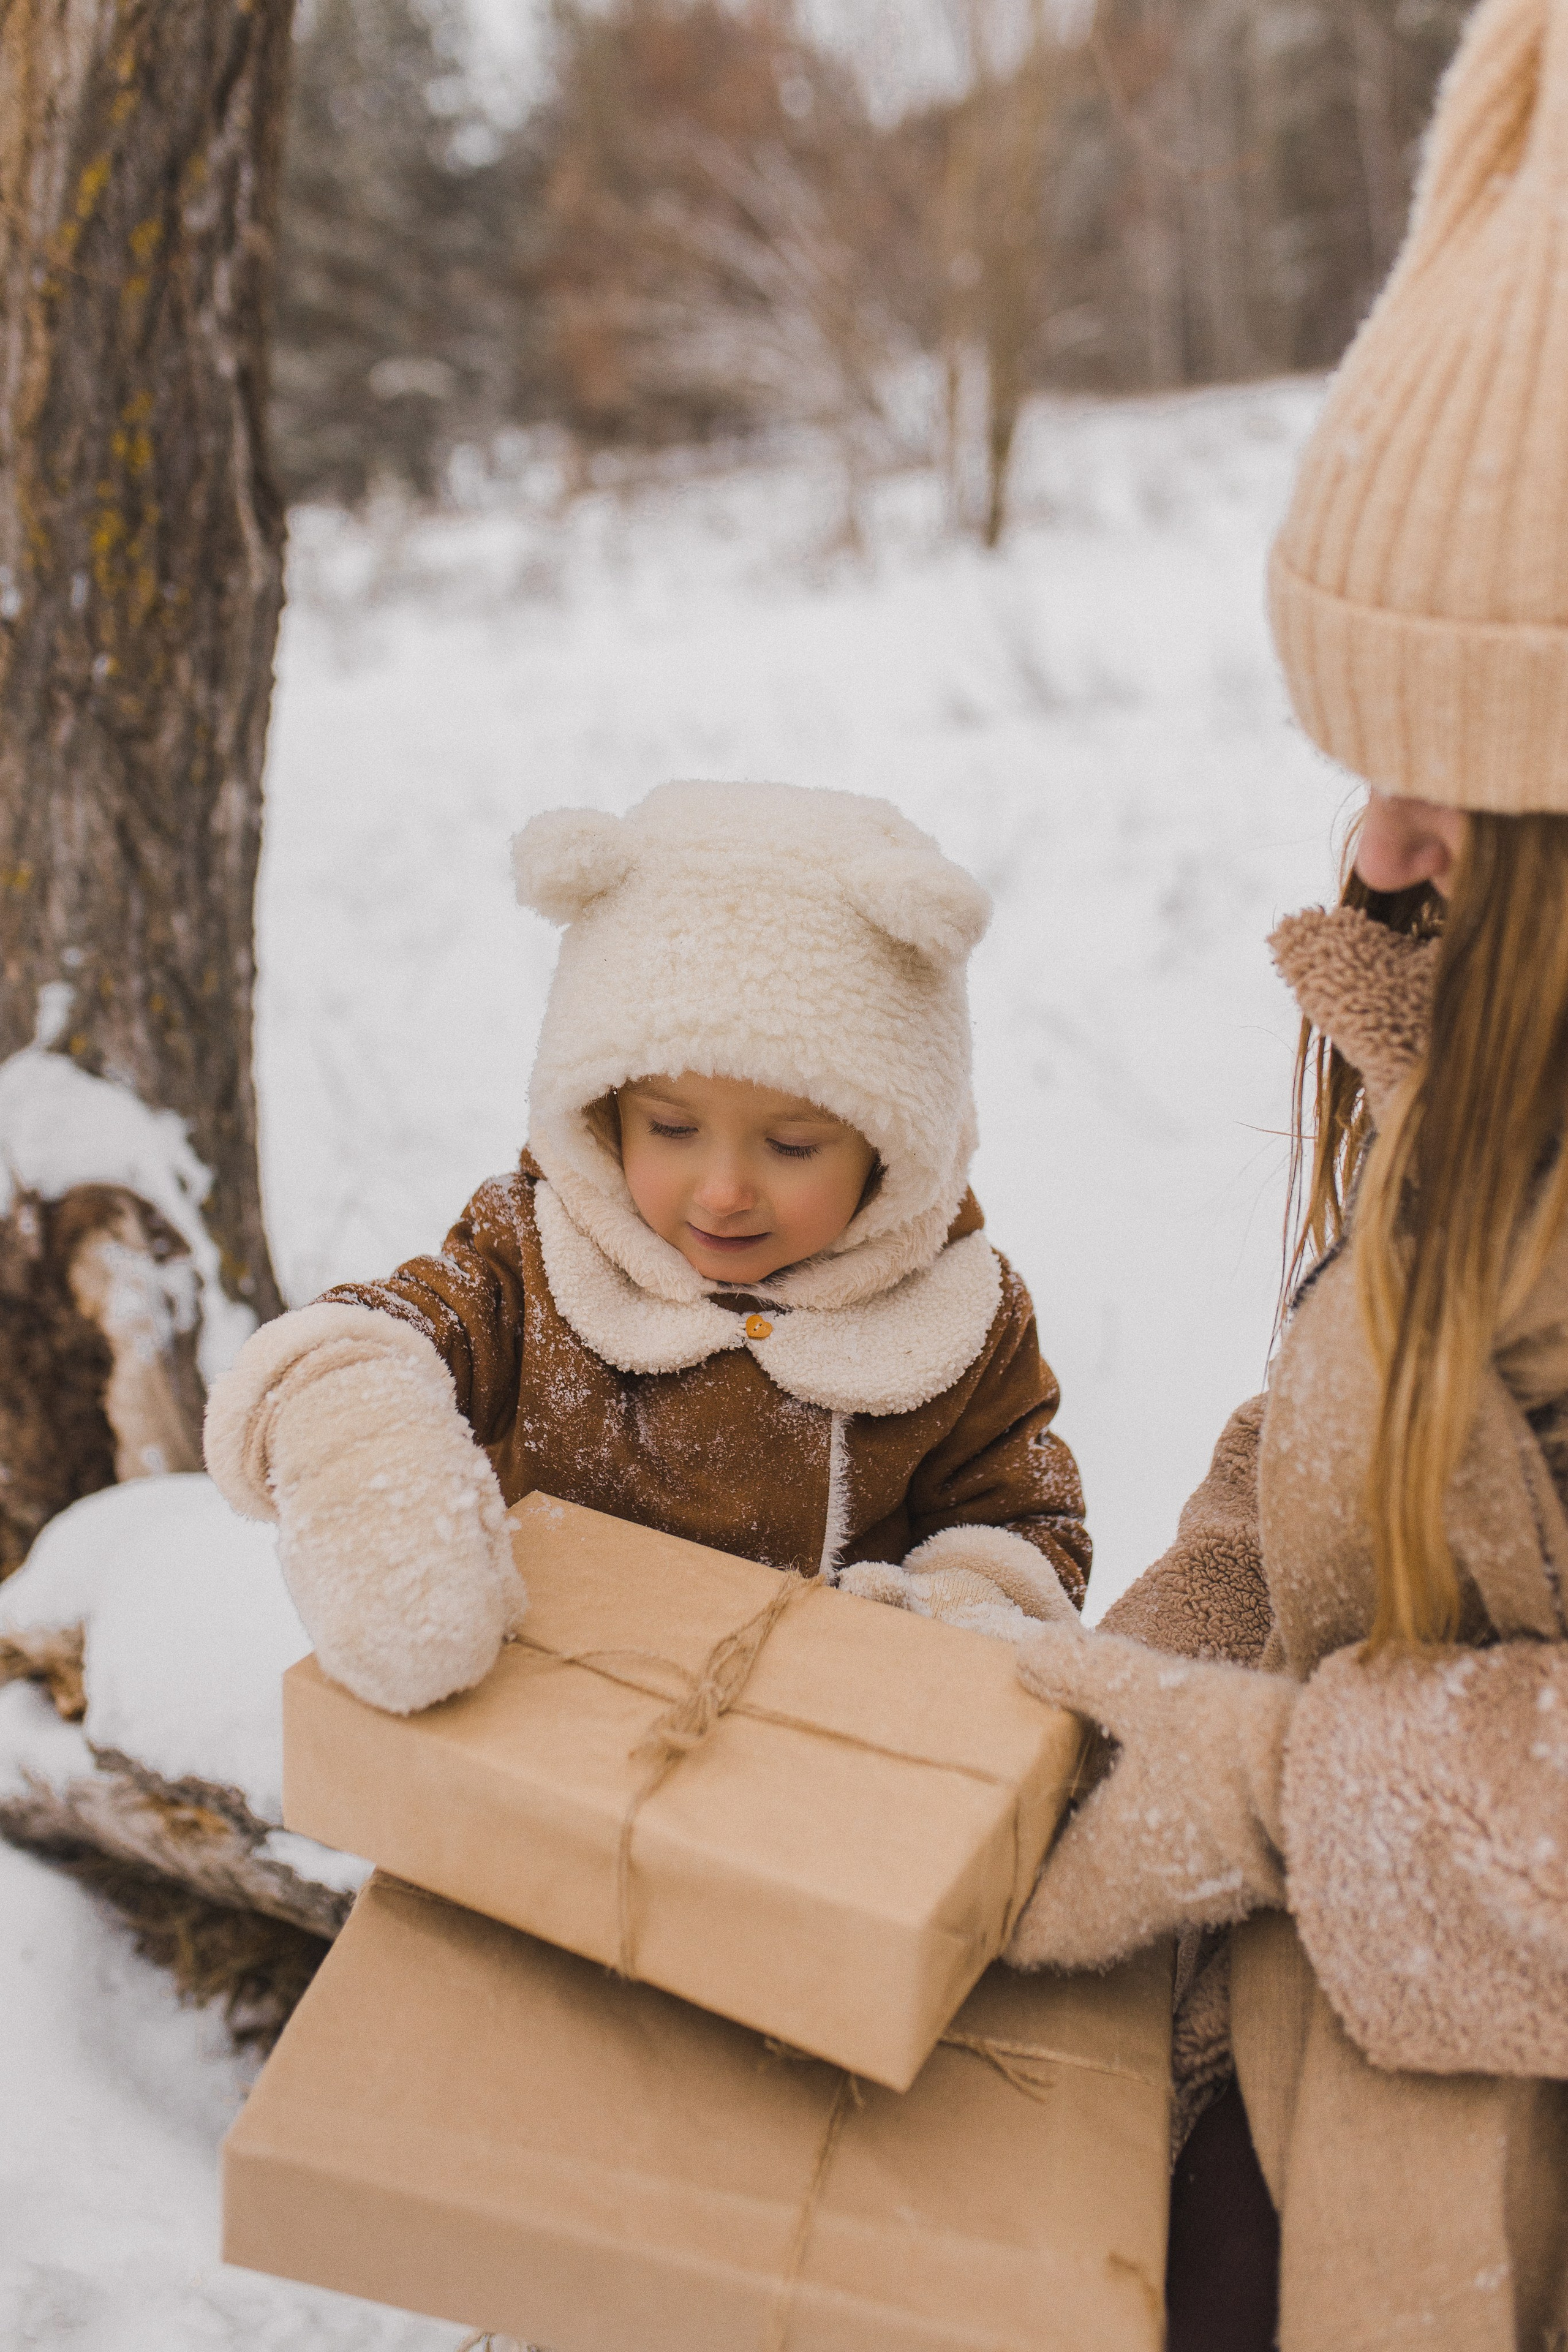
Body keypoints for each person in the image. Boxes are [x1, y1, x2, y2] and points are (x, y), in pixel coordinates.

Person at [1007, 1, 1568, 2343]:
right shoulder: (1483, 1072)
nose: (1374, 848)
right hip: (1354, 2119)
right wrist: (1120, 1690)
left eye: (1456, 781)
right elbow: (1344, 1459)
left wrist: (1253, 1786)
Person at [205, 780, 1090, 1714]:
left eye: (791, 1147)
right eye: (671, 1129)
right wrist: (357, 1430)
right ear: (604, 1109)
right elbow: (394, 1333)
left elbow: (1023, 1520)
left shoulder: (956, 1321)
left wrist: (939, 1618)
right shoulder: (536, 1257)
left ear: (891, 1144)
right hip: (527, 1743)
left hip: (806, 1776)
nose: (722, 1191)